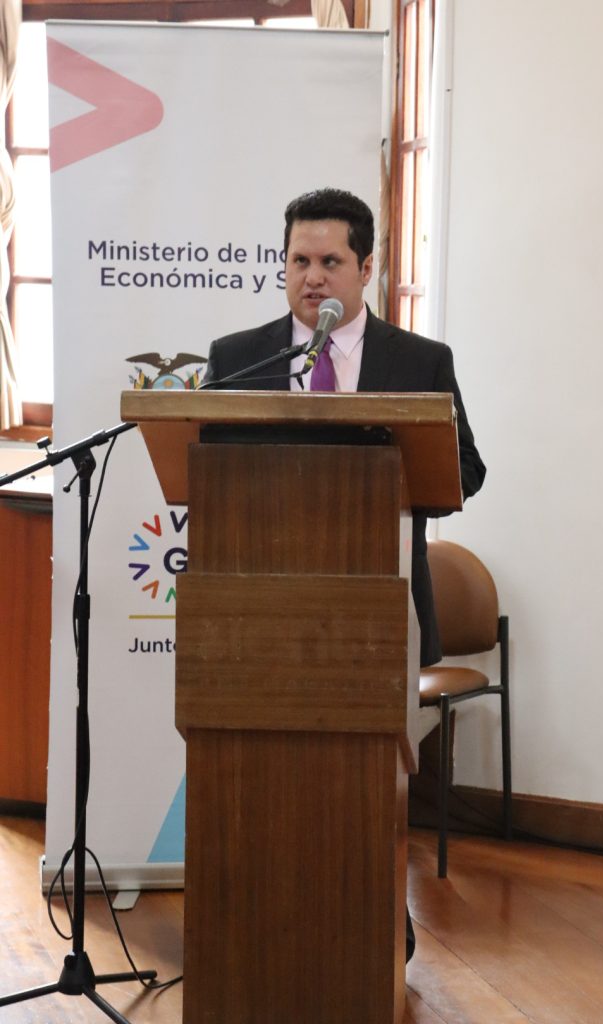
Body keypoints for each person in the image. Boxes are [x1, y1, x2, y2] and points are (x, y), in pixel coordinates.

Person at [203, 187, 486, 961]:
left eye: (331, 261)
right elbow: (205, 471)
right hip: (262, 607)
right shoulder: (239, 358)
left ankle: (369, 923)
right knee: (269, 780)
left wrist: (401, 475)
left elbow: (465, 469)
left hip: (381, 607)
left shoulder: (418, 361)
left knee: (365, 778)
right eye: (299, 261)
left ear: (367, 267)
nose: (313, 278)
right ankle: (264, 927)